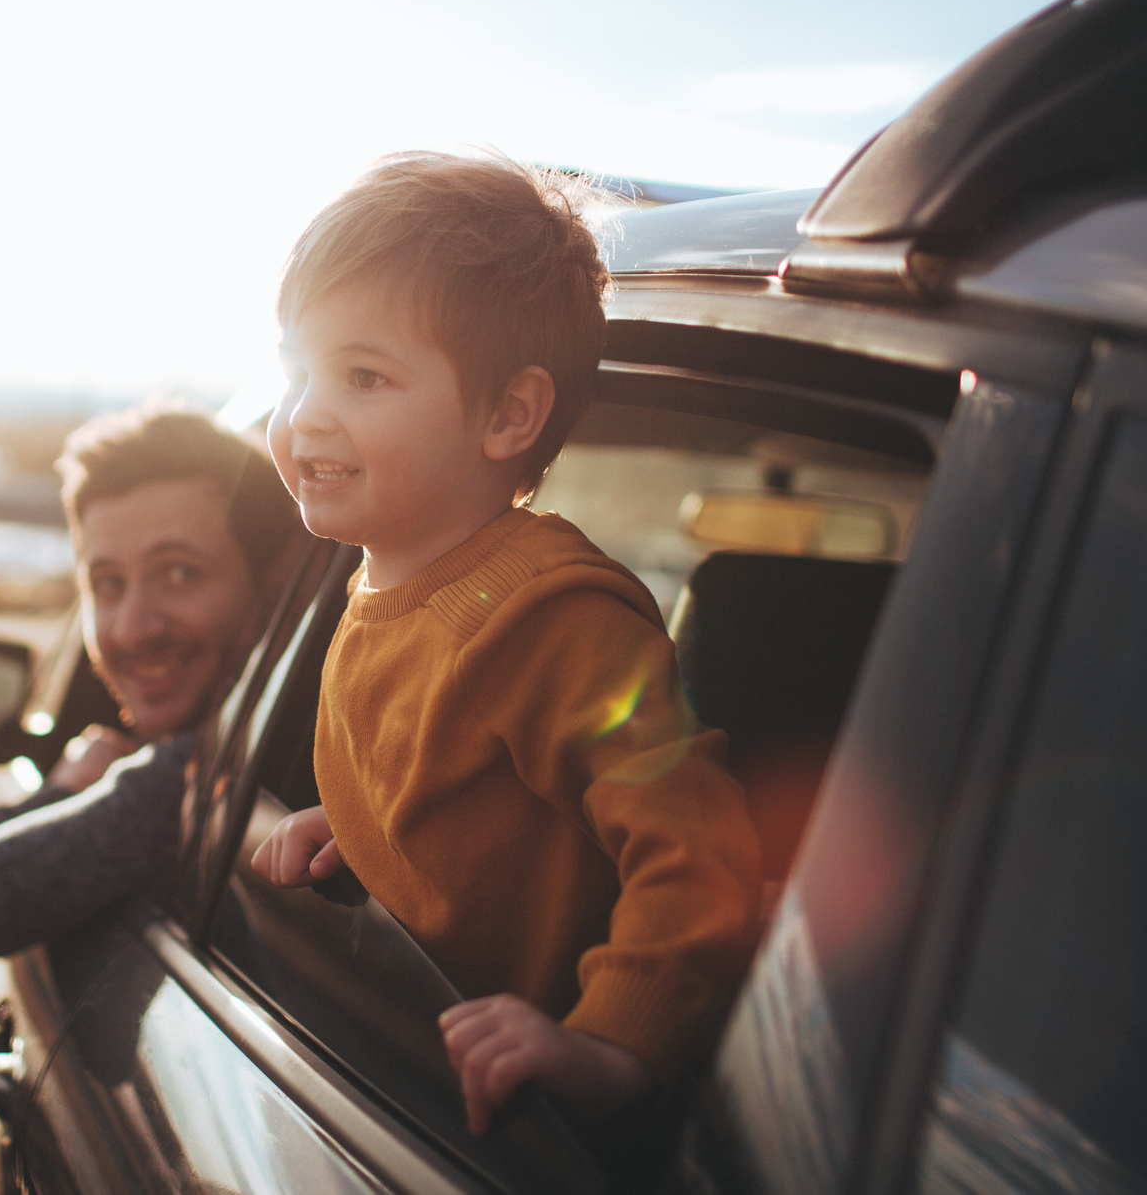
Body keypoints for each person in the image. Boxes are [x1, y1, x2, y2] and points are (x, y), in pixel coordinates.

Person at [249, 151, 764, 1137]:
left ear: (507, 414)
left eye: (363, 375)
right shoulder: (381, 577)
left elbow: (698, 846)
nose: (306, 411)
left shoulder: (546, 616)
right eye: (297, 369)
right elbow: (467, 792)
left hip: (548, 1128)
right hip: (433, 1071)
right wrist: (364, 824)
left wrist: (613, 1043)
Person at [0, 405, 297, 973]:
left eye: (180, 573)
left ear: (276, 584)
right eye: (107, 584)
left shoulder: (189, 783)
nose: (133, 627)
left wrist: (65, 795)